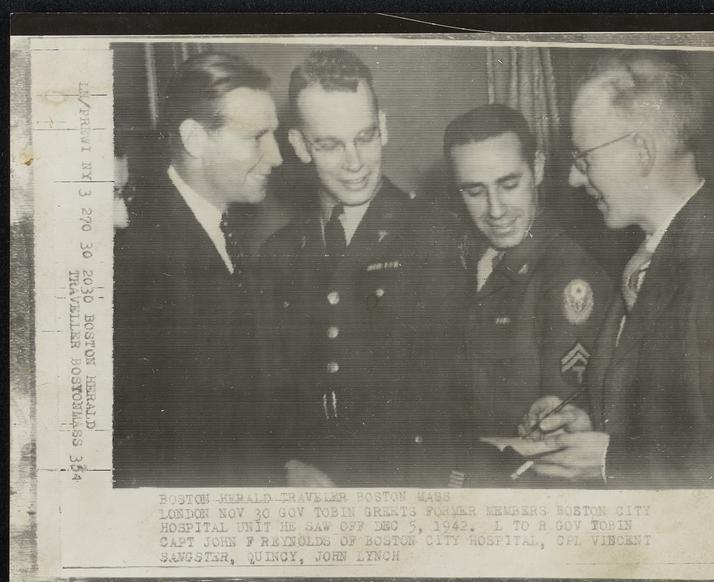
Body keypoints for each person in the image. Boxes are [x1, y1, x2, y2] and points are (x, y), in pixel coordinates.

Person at [256, 49, 468, 487]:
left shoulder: (435, 234)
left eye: (365, 137)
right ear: (298, 146)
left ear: (384, 128)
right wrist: (285, 466)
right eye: (329, 145)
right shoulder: (277, 254)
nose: (354, 162)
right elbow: (268, 392)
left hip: (404, 482)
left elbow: (446, 399)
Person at [521, 51, 714, 488]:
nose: (575, 180)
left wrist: (615, 458)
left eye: (584, 158)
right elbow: (676, 417)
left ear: (642, 151)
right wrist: (589, 424)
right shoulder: (643, 261)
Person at [113, 53, 285, 487]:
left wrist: (283, 467)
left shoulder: (219, 227)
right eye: (257, 138)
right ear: (194, 138)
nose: (277, 156)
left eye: (275, 136)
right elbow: (164, 442)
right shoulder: (144, 252)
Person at [444, 104, 612, 487]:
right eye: (474, 191)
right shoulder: (468, 262)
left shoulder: (569, 275)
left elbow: (559, 446)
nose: (495, 210)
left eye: (508, 184)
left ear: (536, 168)